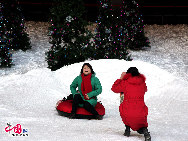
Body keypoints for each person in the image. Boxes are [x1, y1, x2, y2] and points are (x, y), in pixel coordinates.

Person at [111, 67, 151, 141]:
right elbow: (145, 89)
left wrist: (121, 78)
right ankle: (145, 131)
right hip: (140, 112)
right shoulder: (142, 83)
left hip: (128, 112)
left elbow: (114, 89)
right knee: (142, 119)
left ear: (128, 74)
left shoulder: (124, 83)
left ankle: (127, 129)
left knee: (124, 108)